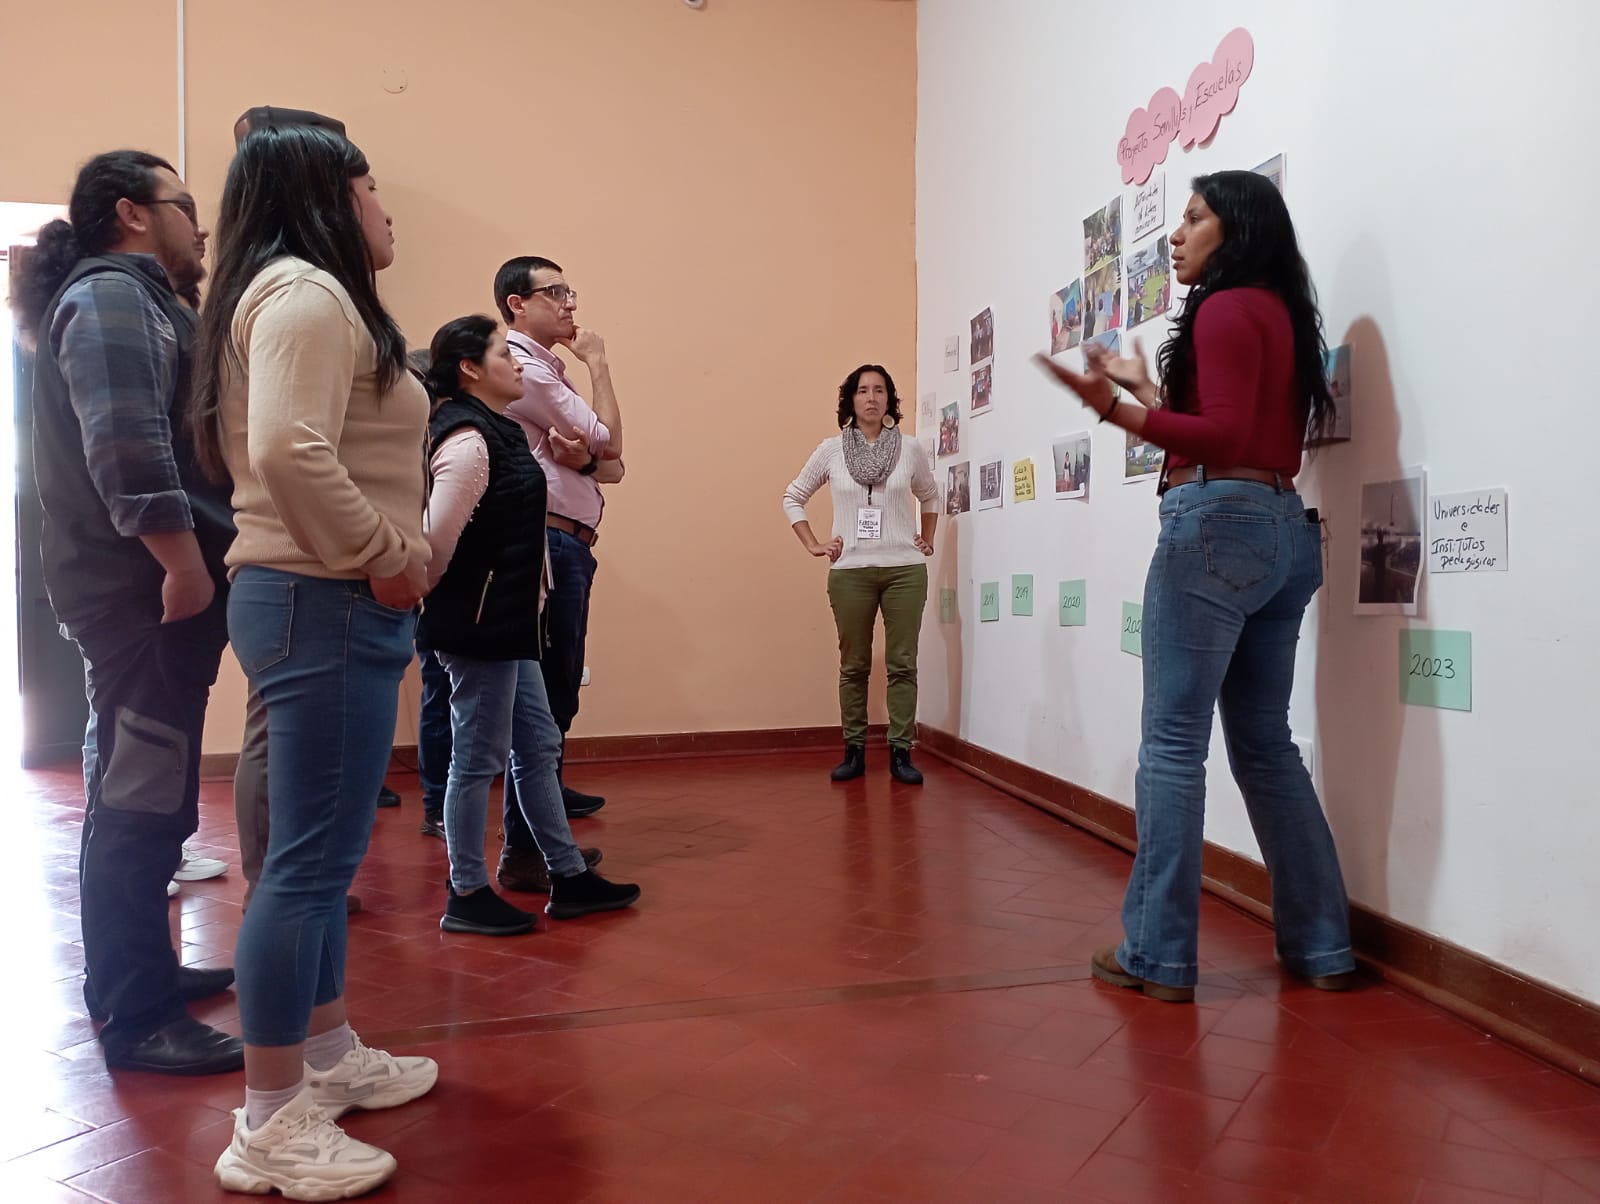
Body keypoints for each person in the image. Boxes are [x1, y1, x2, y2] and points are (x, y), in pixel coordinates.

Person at [1034, 170, 1356, 1003]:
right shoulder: (1278, 311)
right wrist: (1146, 391)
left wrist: (1111, 408)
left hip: (1214, 528)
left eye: (1195, 218)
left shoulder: (1221, 306)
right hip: (1284, 531)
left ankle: (1158, 955)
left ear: (1235, 229)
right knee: (1266, 745)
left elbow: (1219, 435)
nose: (1175, 235)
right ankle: (1323, 945)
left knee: (1174, 745)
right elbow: (1241, 426)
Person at [190, 124, 436, 1197]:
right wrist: (387, 555)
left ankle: (326, 1053)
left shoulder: (303, 297)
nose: (387, 209)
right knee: (305, 866)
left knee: (320, 857)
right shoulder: (306, 296)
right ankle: (270, 1119)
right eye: (371, 188)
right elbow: (292, 451)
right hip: (324, 596)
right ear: (329, 199)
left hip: (314, 597)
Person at [13, 150, 240, 1074]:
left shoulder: (137, 299)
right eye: (184, 204)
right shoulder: (112, 296)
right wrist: (181, 563)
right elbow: (129, 448)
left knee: (142, 786)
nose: (200, 225)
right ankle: (138, 1014)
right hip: (141, 591)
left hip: (140, 589)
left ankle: (137, 974)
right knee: (141, 797)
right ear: (131, 213)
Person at [417, 315, 641, 934]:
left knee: (538, 745)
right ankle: (466, 891)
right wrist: (447, 611)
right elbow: (433, 546)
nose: (517, 363)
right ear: (469, 369)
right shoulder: (468, 441)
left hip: (511, 620)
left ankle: (567, 876)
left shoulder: (504, 431)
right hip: (480, 624)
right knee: (475, 759)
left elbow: (609, 465)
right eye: (502, 355)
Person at [490, 255, 625, 892]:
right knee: (546, 698)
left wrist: (589, 460)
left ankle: (537, 846)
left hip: (568, 541)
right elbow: (609, 441)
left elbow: (611, 465)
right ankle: (529, 852)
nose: (571, 303)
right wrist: (598, 362)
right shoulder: (526, 366)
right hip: (548, 542)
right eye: (556, 292)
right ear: (517, 304)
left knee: (555, 693)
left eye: (570, 291)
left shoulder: (544, 370)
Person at [783, 365, 938, 785]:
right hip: (850, 571)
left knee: (902, 663)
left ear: (890, 399)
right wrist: (814, 543)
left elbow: (930, 494)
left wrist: (927, 539)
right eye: (863, 390)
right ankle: (853, 750)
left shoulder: (910, 448)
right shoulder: (831, 450)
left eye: (879, 390)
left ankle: (901, 751)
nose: (871, 398)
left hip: (904, 570)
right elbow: (793, 496)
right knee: (854, 665)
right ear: (850, 399)